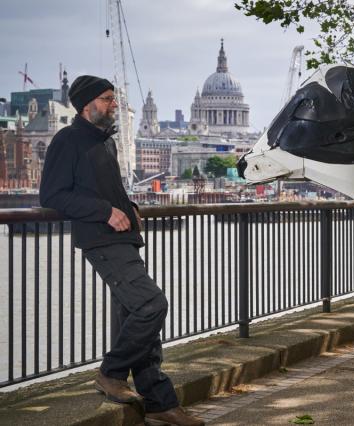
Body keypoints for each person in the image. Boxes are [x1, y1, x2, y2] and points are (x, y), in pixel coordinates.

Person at [39, 75, 203, 426]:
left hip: (122, 238)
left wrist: (126, 207)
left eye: (114, 99)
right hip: (99, 238)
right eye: (108, 98)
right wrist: (105, 212)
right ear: (88, 104)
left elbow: (103, 188)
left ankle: (159, 402)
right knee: (151, 304)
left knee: (135, 317)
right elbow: (52, 195)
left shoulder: (107, 142)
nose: (115, 105)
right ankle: (110, 373)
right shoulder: (67, 140)